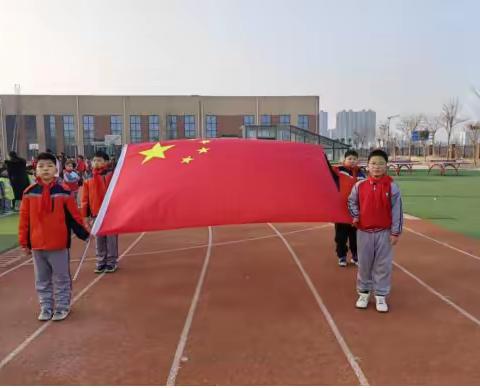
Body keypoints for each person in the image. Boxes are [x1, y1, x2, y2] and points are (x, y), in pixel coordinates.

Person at [18, 152, 89, 321]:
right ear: (36, 170)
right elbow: (24, 220)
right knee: (41, 279)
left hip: (58, 244)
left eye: (49, 166)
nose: (45, 169)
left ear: (56, 169)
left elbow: (74, 216)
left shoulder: (63, 192)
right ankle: (46, 307)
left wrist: (83, 233)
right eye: (41, 166)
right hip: (37, 245)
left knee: (61, 278)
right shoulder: (29, 193)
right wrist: (24, 243)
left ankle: (63, 306)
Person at [348, 149, 403, 313]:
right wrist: (356, 216)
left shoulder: (392, 187)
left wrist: (395, 232)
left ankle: (380, 295)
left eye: (380, 164)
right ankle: (364, 293)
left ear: (386, 166)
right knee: (364, 264)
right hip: (364, 232)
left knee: (383, 265)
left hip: (384, 233)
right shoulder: (359, 186)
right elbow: (351, 202)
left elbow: (397, 211)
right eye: (373, 163)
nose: (377, 167)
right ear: (368, 166)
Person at [81, 151, 119, 273]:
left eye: (100, 160)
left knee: (111, 239)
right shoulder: (88, 178)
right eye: (94, 160)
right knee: (99, 239)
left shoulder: (112, 175)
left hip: (110, 212)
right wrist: (85, 215)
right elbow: (85, 198)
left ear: (106, 162)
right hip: (96, 213)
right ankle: (100, 261)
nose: (96, 163)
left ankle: (111, 261)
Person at [331, 150, 366, 267]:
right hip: (341, 210)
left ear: (358, 161)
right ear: (344, 160)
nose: (352, 161)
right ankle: (342, 256)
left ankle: (355, 255)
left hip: (356, 211)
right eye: (349, 158)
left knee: (355, 236)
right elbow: (326, 170)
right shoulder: (339, 170)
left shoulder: (361, 173)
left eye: (354, 159)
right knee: (340, 237)